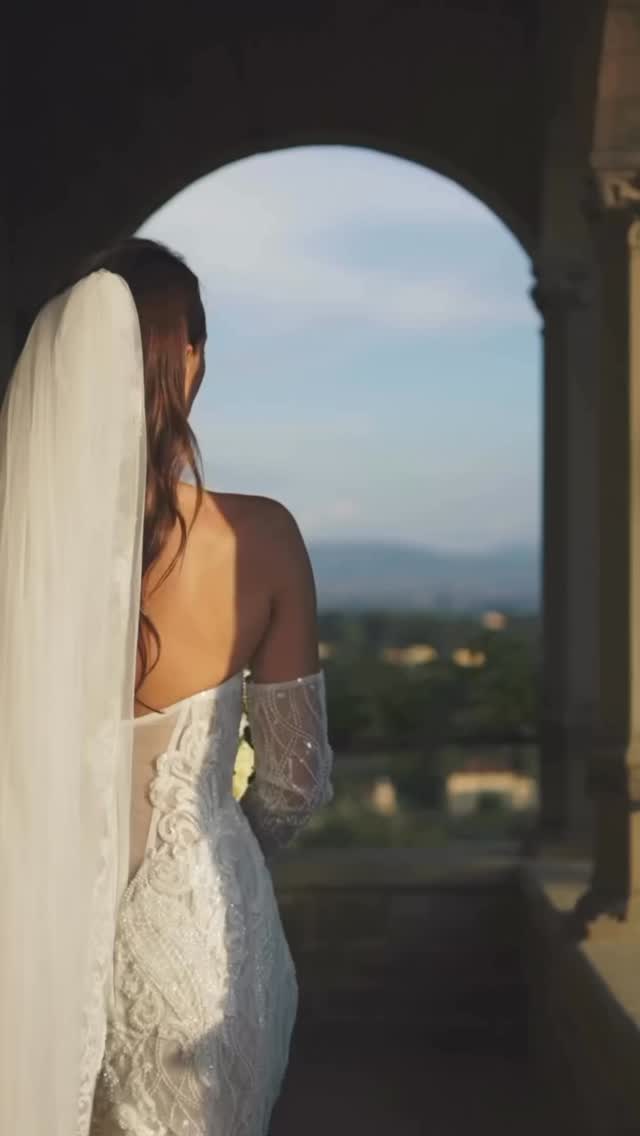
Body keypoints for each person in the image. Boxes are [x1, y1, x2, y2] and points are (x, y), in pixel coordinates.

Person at [0, 238, 333, 1136]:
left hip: (33, 930)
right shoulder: (258, 538)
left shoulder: (20, 554)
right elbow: (295, 783)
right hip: (194, 933)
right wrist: (218, 840)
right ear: (188, 354)